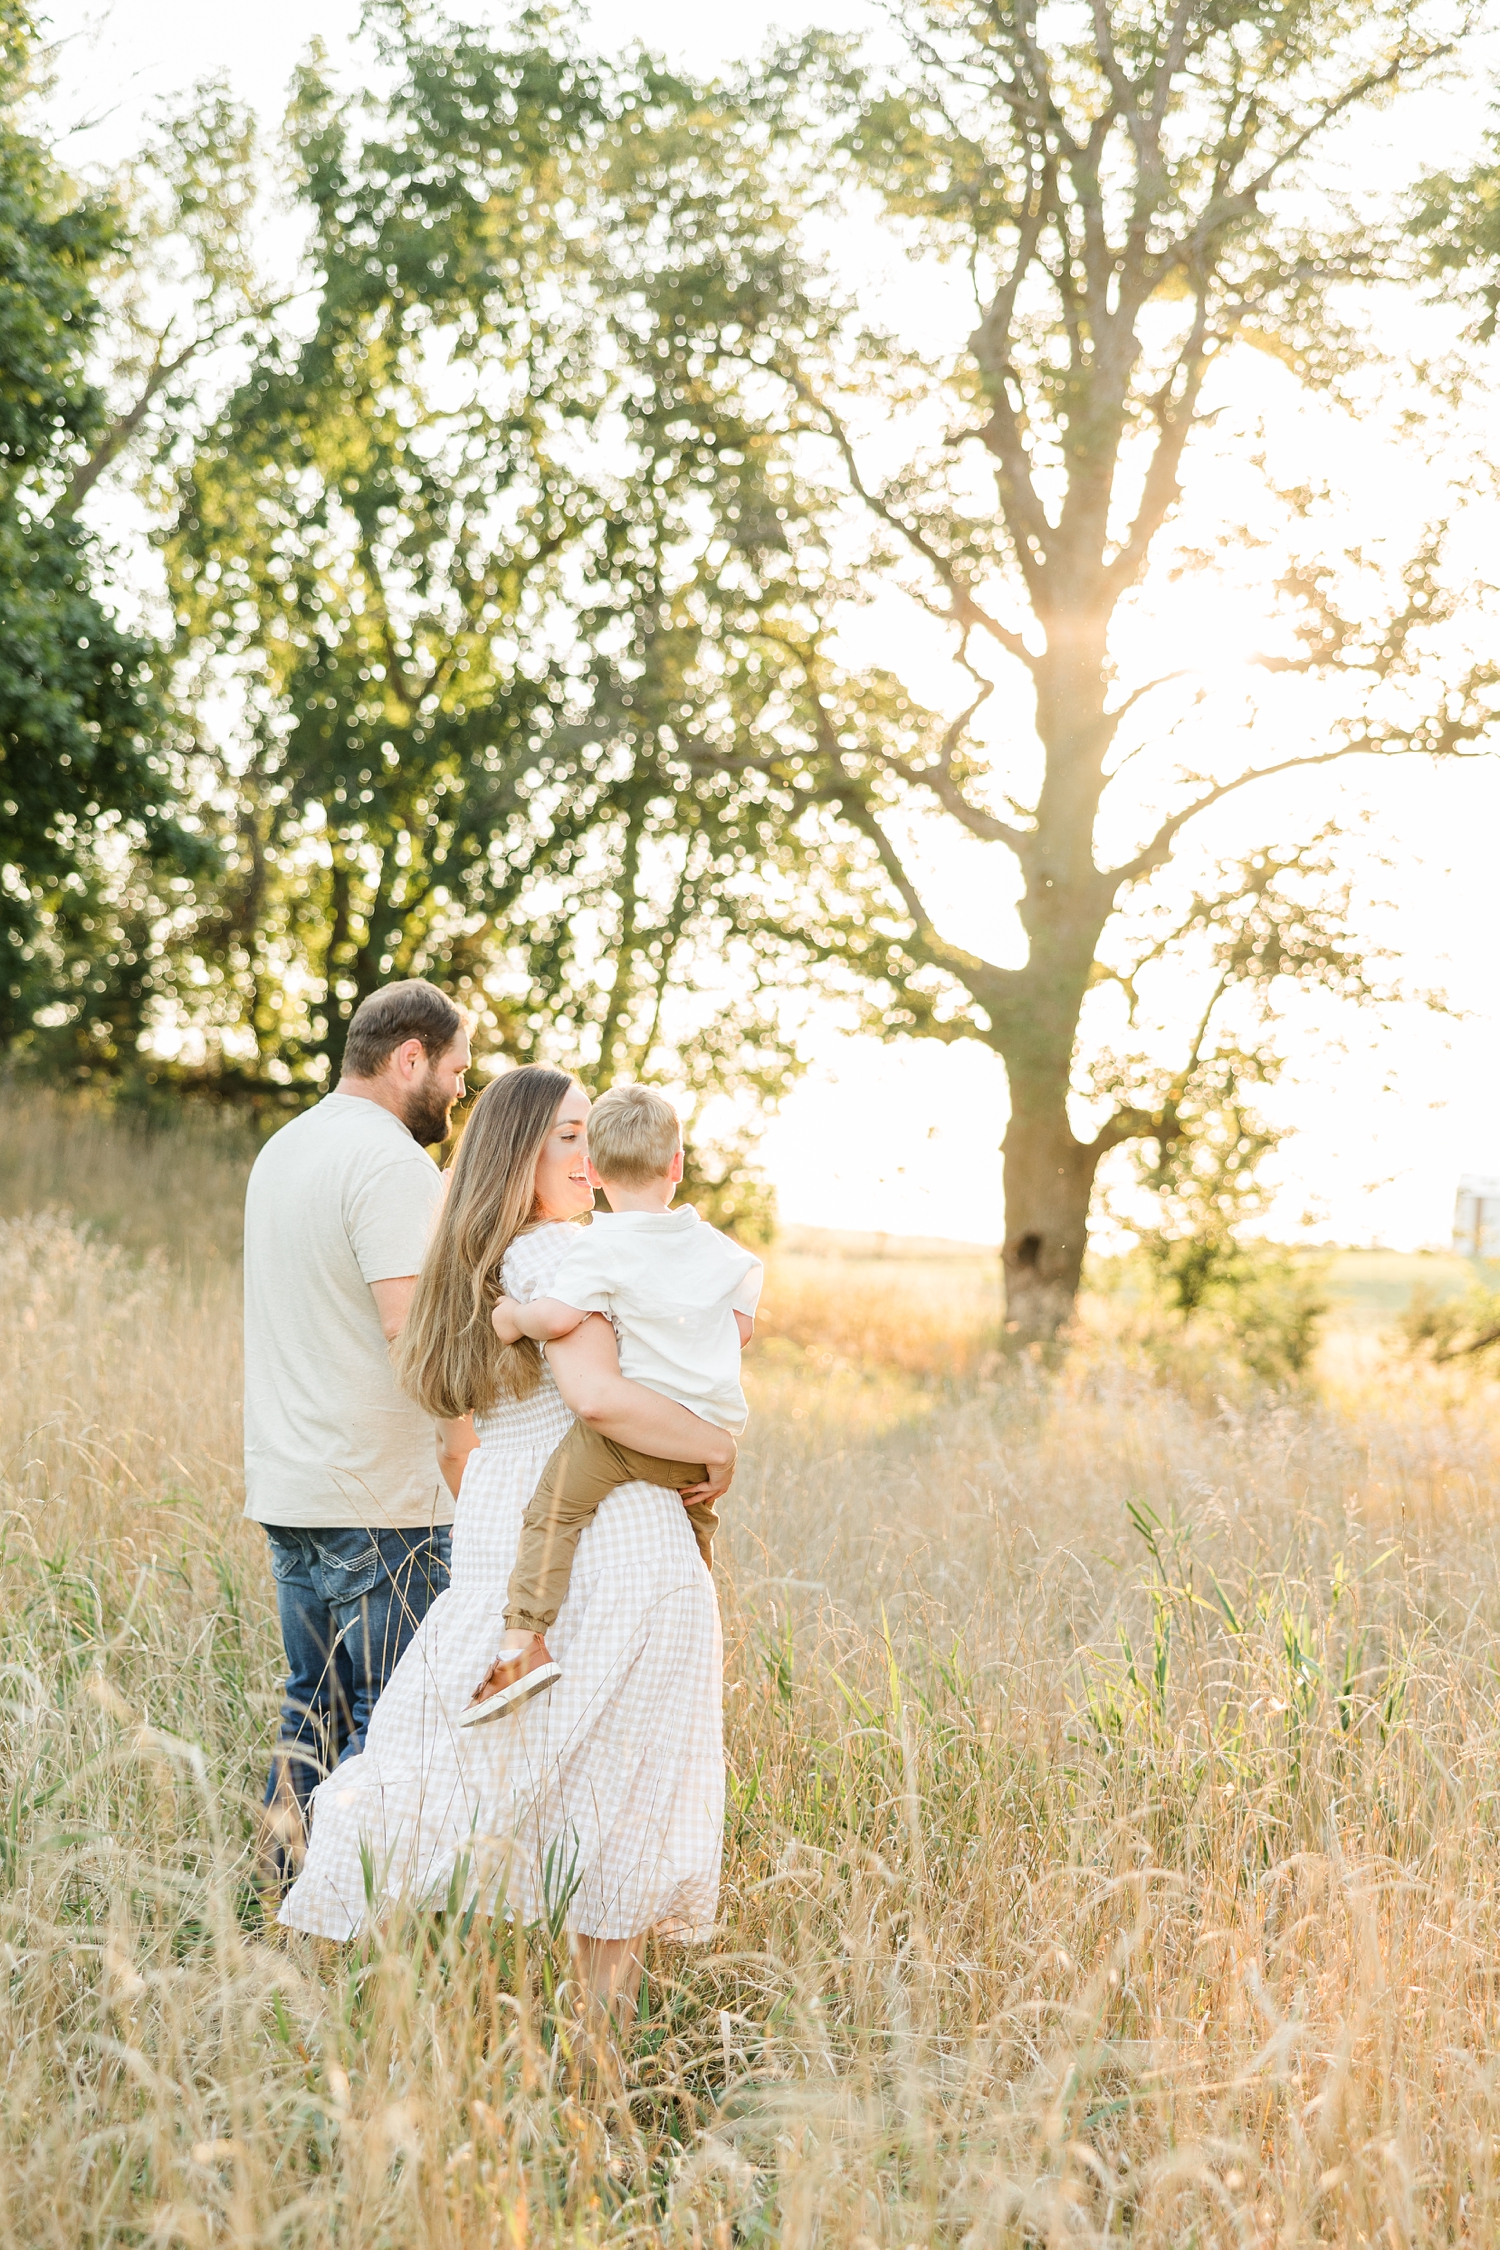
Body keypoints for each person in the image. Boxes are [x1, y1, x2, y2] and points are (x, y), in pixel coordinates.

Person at [276, 1065, 734, 2025]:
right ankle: (589, 2065)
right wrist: (716, 1445)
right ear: (518, 1150)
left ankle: (319, 1994)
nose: (588, 1152)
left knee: (440, 1770)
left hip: (514, 1539)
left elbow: (480, 1436)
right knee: (611, 1806)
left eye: (592, 1134)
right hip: (610, 1551)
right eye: (567, 1134)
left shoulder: (487, 1259)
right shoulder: (559, 1259)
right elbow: (600, 1398)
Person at [244, 978, 473, 1873]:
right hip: (380, 1497)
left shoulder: (286, 1148)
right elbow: (406, 1327)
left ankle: (279, 1902)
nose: (460, 1090)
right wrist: (475, 1424)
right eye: (456, 1069)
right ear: (409, 1057)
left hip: (293, 1484)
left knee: (313, 1710)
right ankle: (358, 1917)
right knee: (392, 1712)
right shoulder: (387, 1162)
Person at [461, 1081, 761, 1725]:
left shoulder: (592, 1248)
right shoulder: (723, 1253)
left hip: (626, 1438)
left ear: (595, 1172)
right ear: (677, 1167)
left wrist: (512, 1316)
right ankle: (699, 1636)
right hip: (697, 1437)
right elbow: (740, 1324)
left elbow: (563, 1327)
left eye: (581, 1139)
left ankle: (523, 1641)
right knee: (696, 1531)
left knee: (553, 1510)